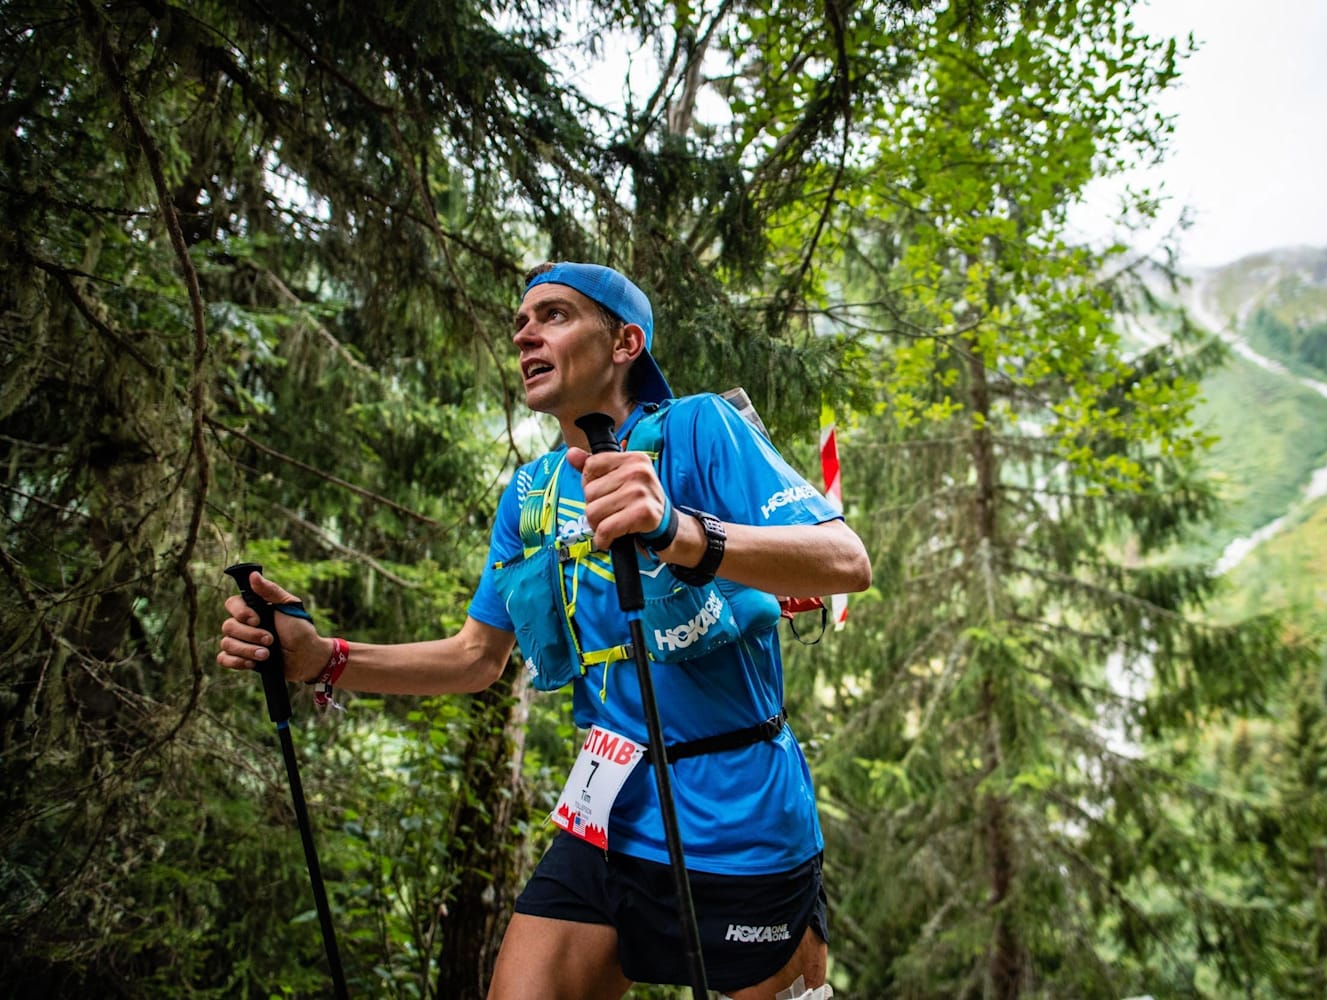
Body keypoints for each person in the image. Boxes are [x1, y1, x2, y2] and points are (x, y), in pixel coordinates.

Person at [218, 261, 872, 999]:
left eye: (555, 315)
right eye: (521, 322)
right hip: (608, 812)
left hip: (740, 820)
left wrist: (679, 531)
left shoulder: (701, 428)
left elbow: (847, 561)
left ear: (625, 343)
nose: (525, 334)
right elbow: (475, 658)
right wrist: (321, 658)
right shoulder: (530, 492)